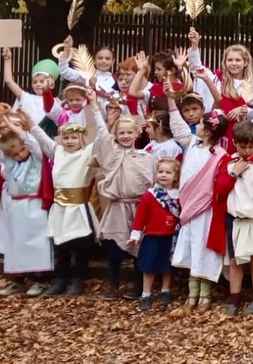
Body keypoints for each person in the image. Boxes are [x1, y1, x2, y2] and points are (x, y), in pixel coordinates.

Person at [206, 119, 253, 316]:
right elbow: (219, 191)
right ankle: (234, 298)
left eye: (251, 146)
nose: (247, 151)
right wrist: (233, 174)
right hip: (234, 217)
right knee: (235, 260)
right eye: (243, 146)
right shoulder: (227, 163)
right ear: (235, 143)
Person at [0, 111, 54, 295]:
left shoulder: (38, 157)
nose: (20, 155)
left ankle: (39, 279)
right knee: (15, 242)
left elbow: (31, 143)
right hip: (15, 206)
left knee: (37, 241)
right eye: (14, 154)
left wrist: (15, 128)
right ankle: (18, 279)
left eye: (22, 150)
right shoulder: (9, 160)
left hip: (35, 204)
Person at [171, 109, 231, 309]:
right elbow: (178, 128)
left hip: (207, 209)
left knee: (204, 248)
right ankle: (192, 292)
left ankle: (205, 294)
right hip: (189, 208)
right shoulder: (192, 145)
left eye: (200, 124)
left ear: (207, 132)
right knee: (192, 246)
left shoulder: (221, 155)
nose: (195, 125)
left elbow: (220, 182)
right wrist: (171, 99)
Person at [93, 111, 153, 301]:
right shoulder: (112, 155)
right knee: (114, 249)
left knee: (138, 248)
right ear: (116, 135)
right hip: (118, 207)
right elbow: (103, 135)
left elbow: (152, 182)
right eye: (122, 133)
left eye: (129, 132)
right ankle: (113, 285)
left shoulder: (146, 157)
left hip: (138, 207)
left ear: (137, 134)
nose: (126, 136)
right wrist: (95, 106)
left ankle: (137, 285)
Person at [43, 107, 101, 297]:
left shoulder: (87, 153)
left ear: (81, 139)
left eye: (74, 138)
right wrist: (25, 124)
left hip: (79, 207)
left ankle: (78, 281)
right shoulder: (57, 152)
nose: (69, 141)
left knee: (81, 245)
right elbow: (39, 137)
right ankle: (60, 280)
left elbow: (102, 135)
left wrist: (94, 107)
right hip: (60, 207)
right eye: (66, 138)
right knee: (61, 246)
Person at [128, 157, 181, 310]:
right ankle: (146, 294)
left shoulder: (178, 196)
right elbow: (140, 217)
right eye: (160, 172)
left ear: (175, 176)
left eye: (168, 172)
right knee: (149, 266)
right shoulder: (150, 195)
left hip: (170, 237)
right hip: (152, 236)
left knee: (167, 266)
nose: (163, 175)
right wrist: (135, 235)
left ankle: (166, 291)